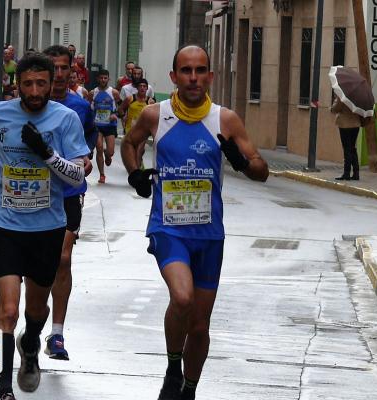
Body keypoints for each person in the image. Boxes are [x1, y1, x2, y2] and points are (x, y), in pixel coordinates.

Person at [120, 45, 269, 400]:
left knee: (200, 325)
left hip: (209, 235)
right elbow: (130, 143)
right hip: (168, 228)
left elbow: (262, 171)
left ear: (210, 77)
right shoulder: (156, 115)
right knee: (182, 298)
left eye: (200, 71)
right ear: (173, 77)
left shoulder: (226, 120)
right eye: (185, 71)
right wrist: (136, 174)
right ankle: (173, 368)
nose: (193, 78)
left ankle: (188, 389)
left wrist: (241, 162)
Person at [0, 52, 89, 400]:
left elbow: (79, 173)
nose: (34, 91)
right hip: (4, 222)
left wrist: (46, 153)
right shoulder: (0, 111)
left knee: (35, 310)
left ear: (52, 84)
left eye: (41, 84)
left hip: (46, 226)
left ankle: (31, 343)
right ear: (18, 85)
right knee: (8, 310)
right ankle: (4, 392)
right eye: (28, 84)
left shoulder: (65, 120)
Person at [42, 44, 95, 361]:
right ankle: (34, 321)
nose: (59, 74)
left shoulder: (80, 107)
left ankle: (57, 333)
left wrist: (86, 162)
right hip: (33, 195)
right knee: (38, 264)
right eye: (54, 68)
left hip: (69, 194)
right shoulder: (28, 104)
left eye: (65, 68)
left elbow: (88, 143)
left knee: (63, 259)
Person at [88, 69, 121, 183]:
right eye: (101, 78)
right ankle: (102, 175)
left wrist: (115, 114)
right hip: (97, 125)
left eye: (105, 78)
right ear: (98, 79)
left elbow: (120, 108)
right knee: (99, 148)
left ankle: (108, 155)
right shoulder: (93, 93)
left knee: (110, 151)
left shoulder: (114, 92)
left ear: (108, 79)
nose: (103, 80)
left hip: (110, 125)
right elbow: (89, 108)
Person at [119, 78, 156, 167]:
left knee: (139, 151)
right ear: (137, 88)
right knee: (133, 151)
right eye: (140, 86)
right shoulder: (130, 99)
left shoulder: (150, 101)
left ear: (147, 89)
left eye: (144, 86)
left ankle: (137, 172)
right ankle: (138, 168)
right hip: (130, 129)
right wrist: (123, 116)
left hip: (143, 130)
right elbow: (120, 109)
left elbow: (154, 115)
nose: (142, 88)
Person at [331, 95, 361, 180]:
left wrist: (332, 107)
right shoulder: (358, 96)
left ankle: (346, 173)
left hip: (345, 125)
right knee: (352, 148)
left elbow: (336, 109)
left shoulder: (343, 95)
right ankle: (356, 173)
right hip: (355, 124)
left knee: (347, 149)